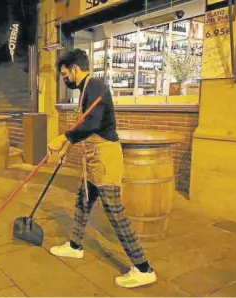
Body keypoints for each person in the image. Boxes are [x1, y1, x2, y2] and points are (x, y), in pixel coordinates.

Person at [47, 49, 157, 288]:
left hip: (105, 159)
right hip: (93, 159)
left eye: (65, 74)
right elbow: (85, 123)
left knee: (114, 212)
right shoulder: (87, 89)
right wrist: (68, 146)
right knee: (83, 202)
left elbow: (93, 123)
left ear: (75, 69)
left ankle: (143, 268)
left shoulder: (95, 86)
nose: (65, 79)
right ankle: (75, 246)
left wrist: (63, 136)